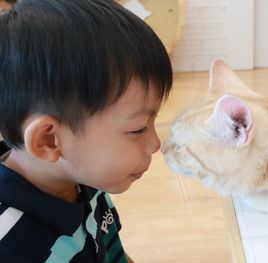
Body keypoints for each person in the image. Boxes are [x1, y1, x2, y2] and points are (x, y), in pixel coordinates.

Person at [0, 0, 172, 262]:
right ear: (49, 140)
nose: (155, 144)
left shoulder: (86, 180)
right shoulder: (12, 243)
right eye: (138, 129)